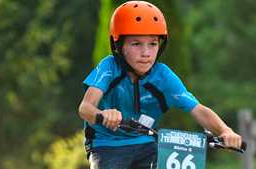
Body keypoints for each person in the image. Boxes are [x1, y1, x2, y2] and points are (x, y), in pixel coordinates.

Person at [78, 1, 242, 169]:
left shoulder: (163, 76)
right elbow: (85, 108)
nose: (146, 53)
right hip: (106, 145)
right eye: (136, 44)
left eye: (153, 44)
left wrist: (225, 131)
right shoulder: (109, 68)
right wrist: (103, 114)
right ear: (118, 45)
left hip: (146, 144)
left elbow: (198, 109)